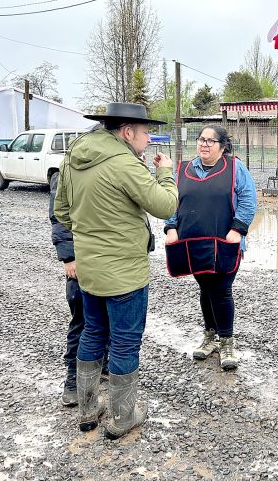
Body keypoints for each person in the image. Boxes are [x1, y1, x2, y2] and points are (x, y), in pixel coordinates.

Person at [54, 103, 177, 439]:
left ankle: (88, 410)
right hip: (124, 273)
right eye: (145, 131)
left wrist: (91, 231)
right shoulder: (124, 163)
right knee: (124, 343)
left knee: (93, 333)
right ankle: (124, 417)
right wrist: (165, 172)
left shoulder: (75, 158)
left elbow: (61, 211)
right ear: (127, 132)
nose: (149, 139)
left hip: (90, 271)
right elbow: (165, 205)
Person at [164, 125, 257, 371]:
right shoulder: (183, 169)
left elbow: (248, 199)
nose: (204, 144)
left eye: (210, 141)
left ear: (223, 146)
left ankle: (227, 341)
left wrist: (237, 229)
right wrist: (170, 227)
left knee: (222, 288)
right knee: (206, 288)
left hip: (226, 243)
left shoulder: (235, 168)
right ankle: (210, 336)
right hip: (193, 243)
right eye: (201, 139)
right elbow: (172, 201)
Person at [49, 169, 108, 407]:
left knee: (112, 319)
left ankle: (103, 367)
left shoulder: (118, 165)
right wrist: (69, 257)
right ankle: (73, 382)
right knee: (83, 322)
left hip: (113, 261)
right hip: (82, 261)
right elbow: (59, 216)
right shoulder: (69, 170)